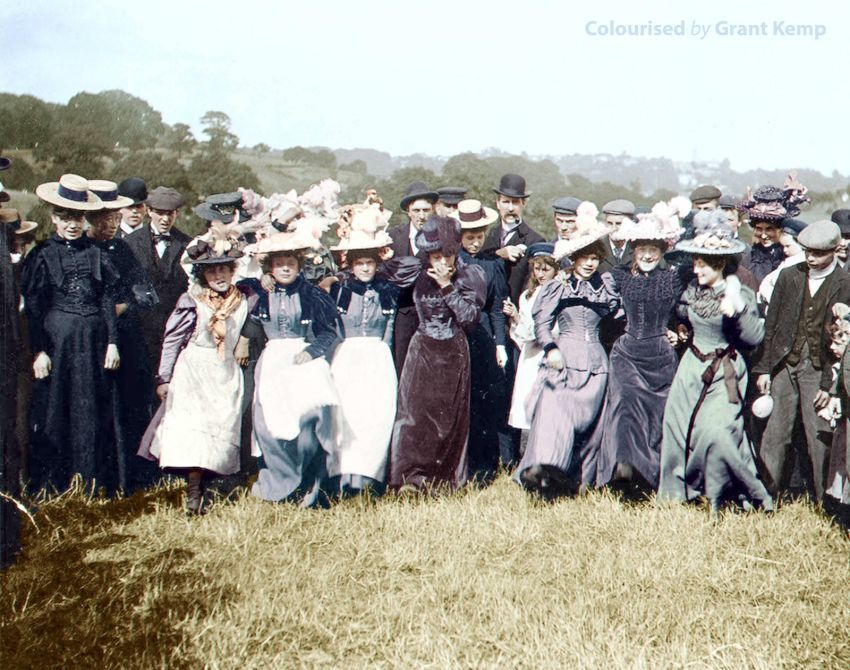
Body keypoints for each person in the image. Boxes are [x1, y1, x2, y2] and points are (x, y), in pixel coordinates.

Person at [658, 210, 773, 513]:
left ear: (720, 264)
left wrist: (735, 311)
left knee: (717, 432)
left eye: (702, 264)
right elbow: (683, 314)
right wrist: (680, 330)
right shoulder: (692, 290)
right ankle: (678, 493)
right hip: (691, 367)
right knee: (677, 427)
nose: (696, 269)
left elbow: (753, 338)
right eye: (695, 262)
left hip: (725, 370)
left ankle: (732, 494)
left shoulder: (739, 294)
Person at [139, 228, 253, 514]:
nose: (219, 277)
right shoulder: (192, 301)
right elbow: (172, 339)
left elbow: (257, 313)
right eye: (212, 272)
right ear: (202, 276)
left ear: (232, 270)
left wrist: (243, 340)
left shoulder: (244, 300)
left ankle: (211, 489)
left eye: (223, 270)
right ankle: (193, 493)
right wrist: (164, 377)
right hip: (194, 369)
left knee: (221, 431)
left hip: (225, 371)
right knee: (195, 432)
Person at [21, 174, 121, 493]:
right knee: (55, 409)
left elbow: (106, 298)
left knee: (90, 408)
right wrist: (39, 351)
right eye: (65, 218)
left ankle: (88, 482)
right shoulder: (41, 255)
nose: (72, 225)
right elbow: (33, 308)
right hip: (57, 343)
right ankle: (54, 483)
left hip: (92, 343)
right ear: (54, 218)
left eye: (77, 217)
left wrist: (113, 342)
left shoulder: (97, 253)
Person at [516, 212, 620, 496]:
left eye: (595, 258)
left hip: (597, 363)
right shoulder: (558, 285)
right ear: (574, 258)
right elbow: (542, 323)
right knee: (555, 416)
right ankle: (544, 474)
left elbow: (616, 317)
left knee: (590, 425)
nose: (589, 263)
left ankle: (579, 481)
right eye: (584, 257)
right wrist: (550, 348)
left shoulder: (605, 286)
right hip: (564, 360)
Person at [383, 215, 486, 490]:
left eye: (447, 256)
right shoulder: (415, 270)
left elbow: (470, 319)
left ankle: (444, 479)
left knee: (448, 419)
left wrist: (446, 286)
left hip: (453, 352)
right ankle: (410, 479)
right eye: (436, 256)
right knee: (413, 416)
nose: (442, 263)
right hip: (422, 349)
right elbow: (375, 272)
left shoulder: (470, 275)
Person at [242, 224, 341, 506]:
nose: (285, 269)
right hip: (273, 360)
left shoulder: (312, 294)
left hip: (303, 358)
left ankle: (312, 482)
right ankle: (282, 483)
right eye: (278, 264)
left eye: (290, 263)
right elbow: (244, 308)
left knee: (310, 422)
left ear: (299, 265)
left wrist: (311, 352)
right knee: (269, 424)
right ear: (269, 268)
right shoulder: (260, 294)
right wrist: (258, 281)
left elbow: (328, 331)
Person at [596, 198, 690, 492]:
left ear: (662, 251)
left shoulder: (673, 279)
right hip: (627, 353)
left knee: (655, 417)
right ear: (633, 250)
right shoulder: (618, 276)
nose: (648, 254)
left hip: (661, 355)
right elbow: (601, 306)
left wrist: (679, 329)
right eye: (642, 249)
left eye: (653, 249)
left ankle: (650, 477)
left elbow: (683, 312)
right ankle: (624, 473)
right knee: (625, 411)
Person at [753, 219, 850, 502]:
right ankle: (764, 497)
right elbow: (771, 327)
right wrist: (765, 369)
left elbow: (842, 343)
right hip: (786, 363)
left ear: (835, 250)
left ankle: (826, 503)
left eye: (818, 253)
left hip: (819, 369)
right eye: (807, 251)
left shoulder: (845, 283)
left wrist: (827, 383)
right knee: (774, 435)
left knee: (818, 437)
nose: (810, 257)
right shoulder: (789, 276)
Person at [87, 180, 159, 492]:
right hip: (88, 339)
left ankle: (127, 477)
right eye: (104, 219)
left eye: (115, 219)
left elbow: (147, 295)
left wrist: (125, 305)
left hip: (125, 339)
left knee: (127, 406)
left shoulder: (121, 248)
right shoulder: (78, 249)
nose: (110, 225)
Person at [326, 205, 399, 494]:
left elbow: (390, 328)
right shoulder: (340, 290)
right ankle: (344, 475)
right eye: (360, 263)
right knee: (348, 415)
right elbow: (334, 327)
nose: (366, 268)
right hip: (347, 358)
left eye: (370, 262)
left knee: (376, 415)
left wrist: (385, 353)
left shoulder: (387, 291)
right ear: (351, 265)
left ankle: (369, 476)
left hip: (378, 357)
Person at [455, 199, 510, 478]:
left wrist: (500, 343)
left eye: (479, 237)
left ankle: (484, 467)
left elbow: (497, 307)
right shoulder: (452, 262)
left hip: (484, 334)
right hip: (457, 334)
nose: (475, 243)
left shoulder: (492, 264)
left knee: (483, 401)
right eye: (469, 238)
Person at [124, 185, 191, 379]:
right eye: (160, 213)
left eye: (170, 214)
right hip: (140, 330)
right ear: (149, 211)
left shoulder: (187, 244)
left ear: (176, 213)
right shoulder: (130, 243)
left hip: (174, 330)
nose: (165, 219)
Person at [502, 243, 558, 441]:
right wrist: (516, 318)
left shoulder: (556, 294)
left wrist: (522, 323)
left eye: (546, 269)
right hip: (529, 356)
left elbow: (544, 330)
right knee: (526, 403)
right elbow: (522, 336)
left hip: (547, 353)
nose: (541, 274)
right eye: (537, 268)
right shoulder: (527, 295)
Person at [388, 181, 438, 375]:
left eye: (426, 210)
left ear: (432, 210)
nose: (422, 215)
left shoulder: (440, 236)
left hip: (431, 313)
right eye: (416, 210)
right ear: (408, 211)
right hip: (402, 313)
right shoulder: (393, 237)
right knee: (402, 366)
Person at [757, 218, 806, 311]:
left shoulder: (799, 264)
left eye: (788, 246)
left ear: (800, 243)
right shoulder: (788, 261)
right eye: (783, 246)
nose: (784, 250)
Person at [598, 199, 636, 273]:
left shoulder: (637, 248)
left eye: (619, 223)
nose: (614, 228)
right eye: (609, 223)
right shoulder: (598, 248)